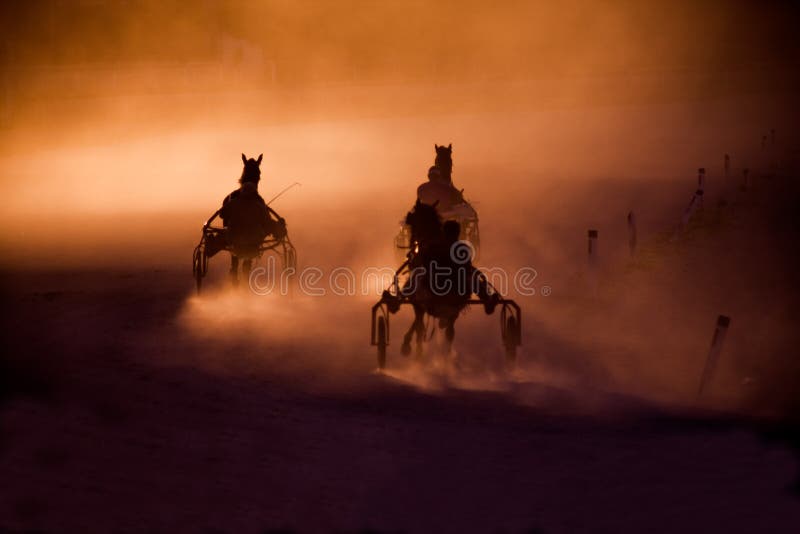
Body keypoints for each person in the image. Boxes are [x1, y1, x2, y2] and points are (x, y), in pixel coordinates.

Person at [219, 153, 285, 285]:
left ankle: (234, 268)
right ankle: (245, 272)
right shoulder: (259, 205)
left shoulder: (232, 202)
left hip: (235, 243)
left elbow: (222, 215)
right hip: (253, 245)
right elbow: (267, 223)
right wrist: (279, 225)